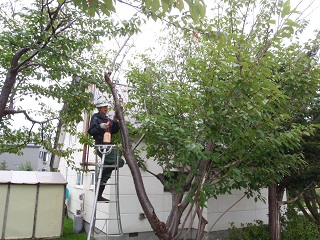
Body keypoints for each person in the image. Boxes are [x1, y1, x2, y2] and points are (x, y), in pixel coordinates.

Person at [88, 96, 125, 202]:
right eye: (103, 106)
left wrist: (116, 120)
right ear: (99, 108)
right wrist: (100, 127)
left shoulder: (107, 119)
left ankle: (98, 195)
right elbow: (91, 131)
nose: (106, 108)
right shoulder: (95, 117)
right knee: (119, 162)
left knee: (107, 174)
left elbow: (114, 130)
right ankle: (102, 171)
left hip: (109, 146)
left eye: (106, 106)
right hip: (101, 145)